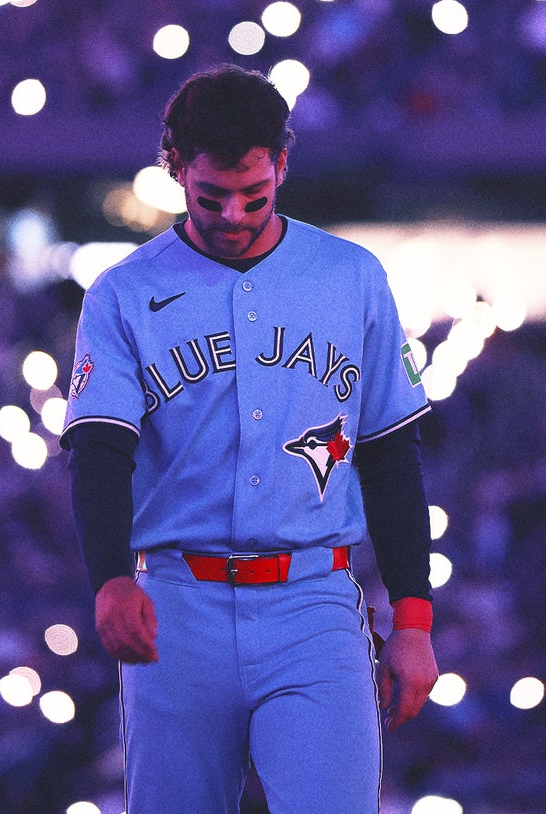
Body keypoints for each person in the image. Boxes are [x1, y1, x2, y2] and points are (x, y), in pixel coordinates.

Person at [61, 63, 439, 813]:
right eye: (211, 197)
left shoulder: (351, 277)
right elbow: (100, 450)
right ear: (175, 166)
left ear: (283, 164)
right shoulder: (123, 292)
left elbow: (391, 455)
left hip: (314, 601)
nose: (233, 214)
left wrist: (415, 621)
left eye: (254, 195)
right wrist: (109, 579)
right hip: (178, 602)